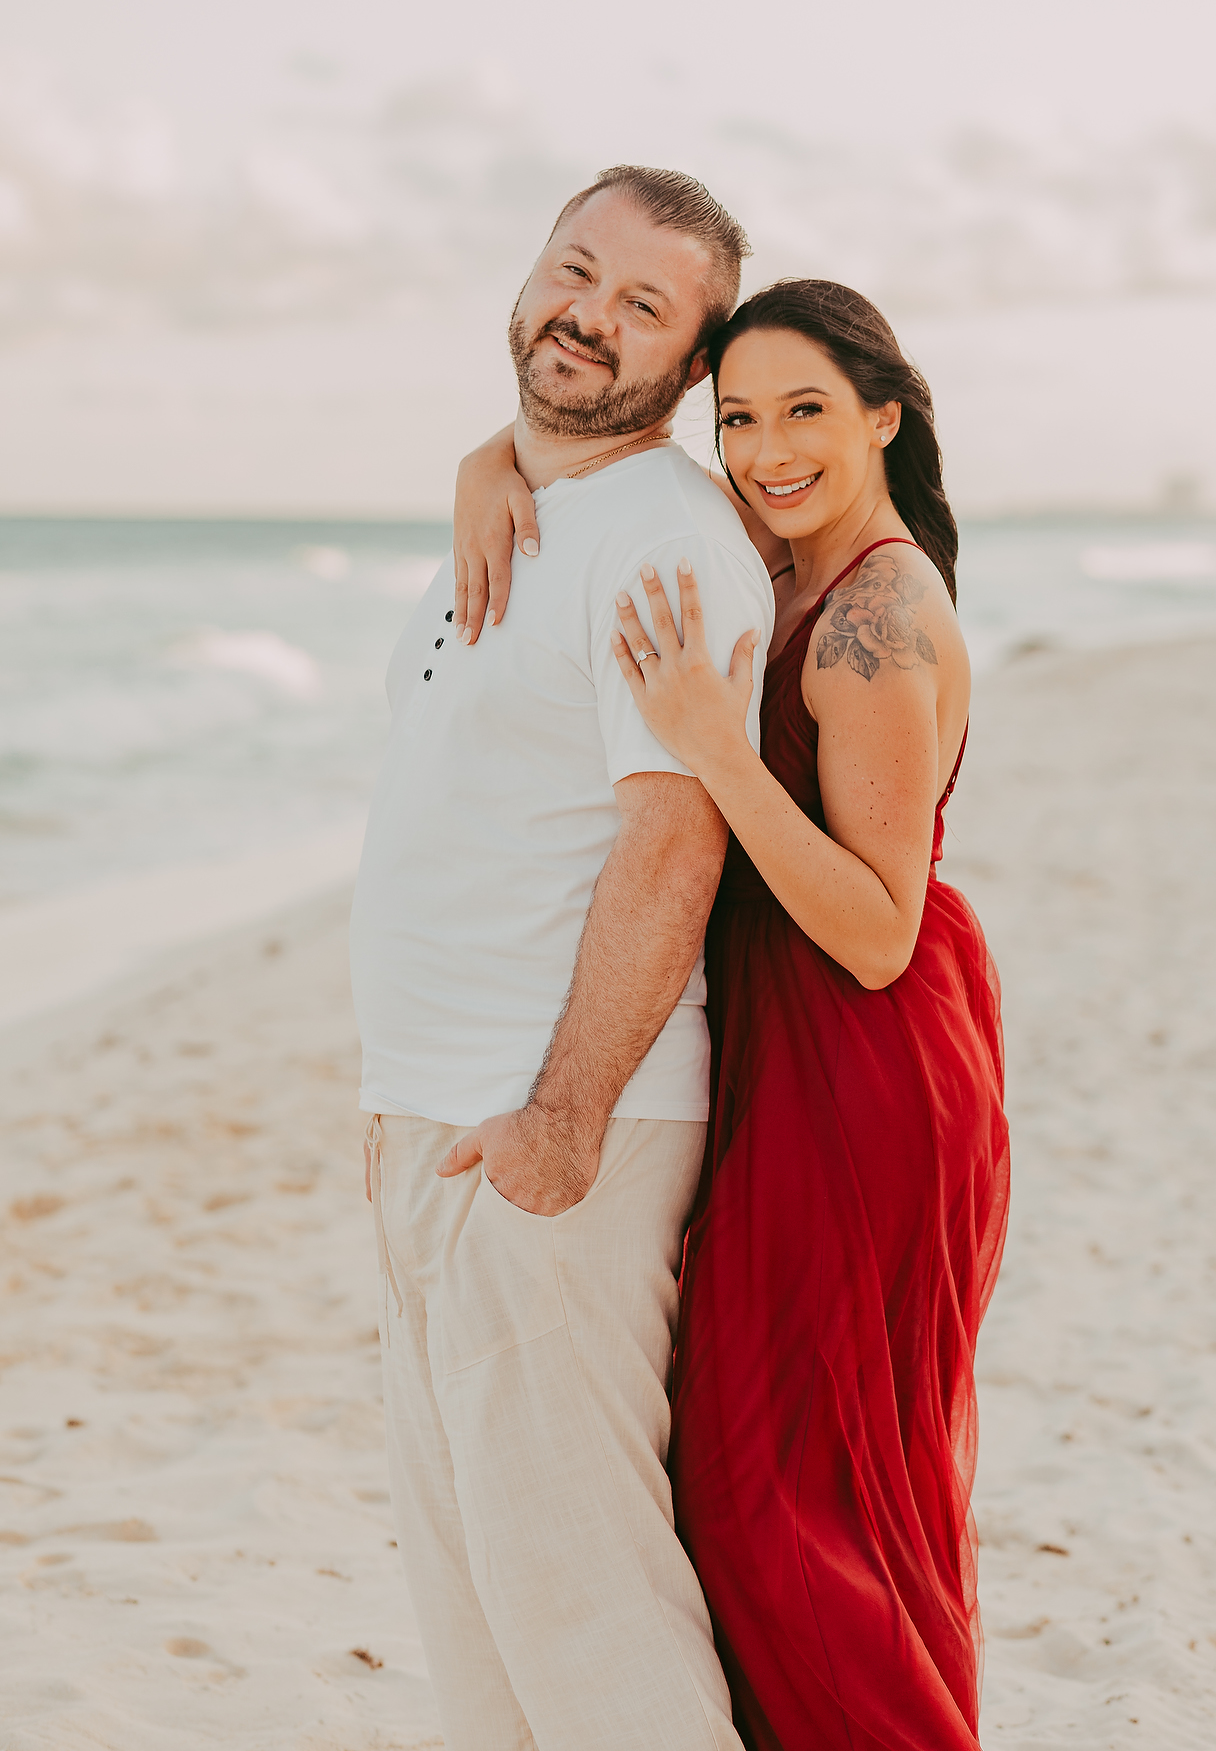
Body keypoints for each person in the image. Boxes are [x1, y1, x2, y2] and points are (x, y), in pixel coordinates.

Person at [456, 279, 1010, 1749]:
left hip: (865, 1057)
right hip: (792, 1038)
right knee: (787, 1480)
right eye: (742, 415)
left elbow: (883, 934)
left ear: (886, 416)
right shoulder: (783, 558)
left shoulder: (875, 614)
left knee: (791, 1506)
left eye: (806, 412)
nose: (766, 448)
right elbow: (596, 446)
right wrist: (485, 465)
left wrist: (715, 747)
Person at [349, 166, 774, 1751]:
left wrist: (566, 1120)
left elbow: (676, 841)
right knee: (480, 1627)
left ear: (693, 357)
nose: (590, 314)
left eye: (645, 304)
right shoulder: (531, 500)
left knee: (589, 1620)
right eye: (575, 268)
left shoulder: (663, 539)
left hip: (552, 1143)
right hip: (435, 1126)